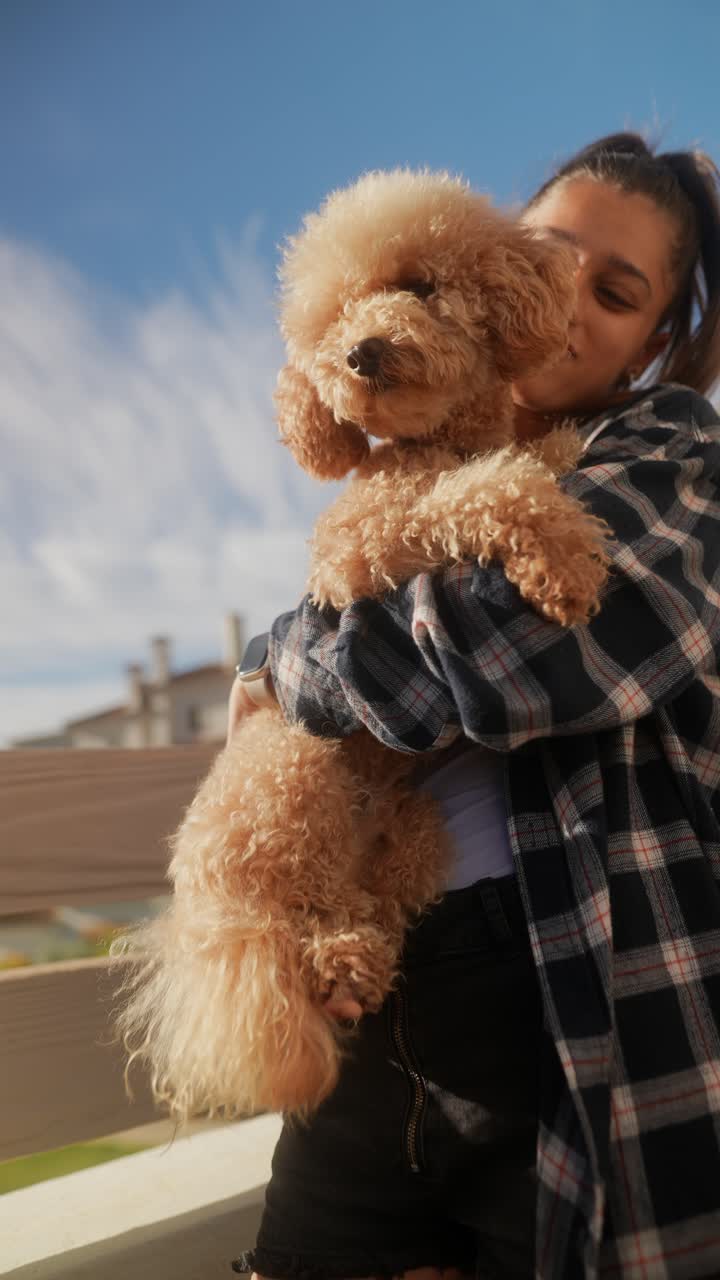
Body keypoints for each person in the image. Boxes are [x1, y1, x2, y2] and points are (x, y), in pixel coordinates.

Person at [229, 134, 720, 1280]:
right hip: (376, 1004)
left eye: (617, 292)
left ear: (655, 343)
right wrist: (294, 643)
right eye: (549, 255)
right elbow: (330, 598)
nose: (569, 297)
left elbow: (518, 653)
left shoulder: (675, 450)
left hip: (559, 998)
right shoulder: (409, 444)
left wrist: (291, 668)